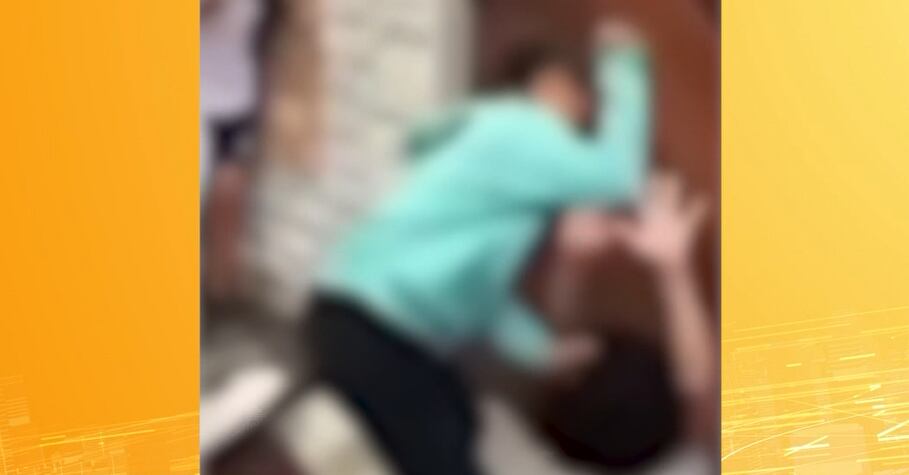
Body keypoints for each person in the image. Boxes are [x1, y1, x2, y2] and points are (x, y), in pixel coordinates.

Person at [305, 22, 652, 475]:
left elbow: (482, 298)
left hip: (355, 319)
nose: (587, 116)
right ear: (549, 85)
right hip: (383, 331)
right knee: (445, 453)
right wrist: (626, 67)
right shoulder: (522, 129)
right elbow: (617, 178)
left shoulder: (487, 156)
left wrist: (545, 351)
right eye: (581, 97)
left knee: (458, 423)